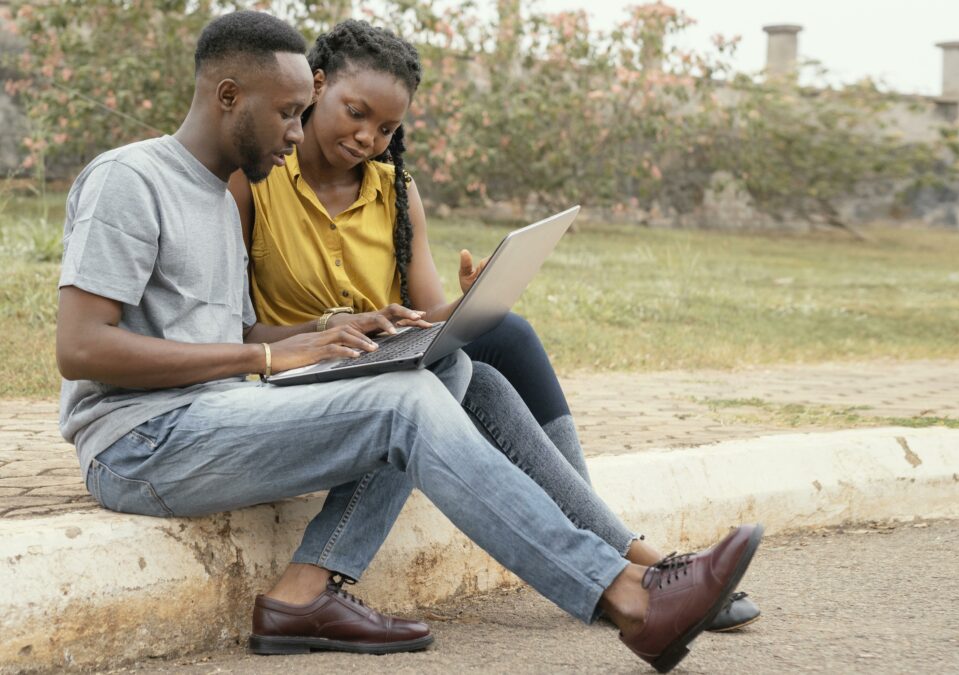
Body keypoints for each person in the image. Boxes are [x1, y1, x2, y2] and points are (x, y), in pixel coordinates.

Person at [54, 10, 762, 673]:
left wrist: (321, 333)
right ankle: (630, 595)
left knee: (439, 367)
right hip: (137, 444)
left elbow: (232, 331)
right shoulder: (130, 179)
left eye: (304, 114)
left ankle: (306, 590)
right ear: (230, 95)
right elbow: (82, 349)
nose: (299, 134)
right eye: (290, 113)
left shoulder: (216, 194)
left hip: (208, 419)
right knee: (407, 402)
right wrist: (269, 357)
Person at [230, 19, 761, 632]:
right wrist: (332, 324)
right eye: (356, 113)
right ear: (316, 86)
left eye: (387, 128)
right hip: (302, 372)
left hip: (377, 361)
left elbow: (427, 316)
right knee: (465, 371)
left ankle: (631, 566)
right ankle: (638, 563)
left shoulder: (395, 191)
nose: (367, 137)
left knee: (497, 340)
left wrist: (470, 301)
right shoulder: (259, 177)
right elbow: (239, 327)